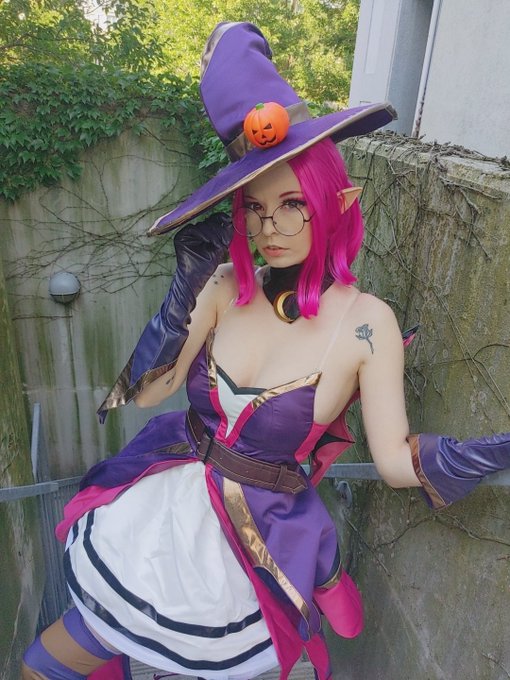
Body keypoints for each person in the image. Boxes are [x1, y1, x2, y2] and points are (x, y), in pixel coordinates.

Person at [22, 21, 510, 680]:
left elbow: (395, 461)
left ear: (337, 202)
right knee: (42, 665)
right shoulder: (226, 286)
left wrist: (489, 452)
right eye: (253, 208)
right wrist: (180, 292)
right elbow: (148, 393)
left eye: (290, 205)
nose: (267, 228)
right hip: (161, 514)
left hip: (249, 551)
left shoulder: (368, 325)